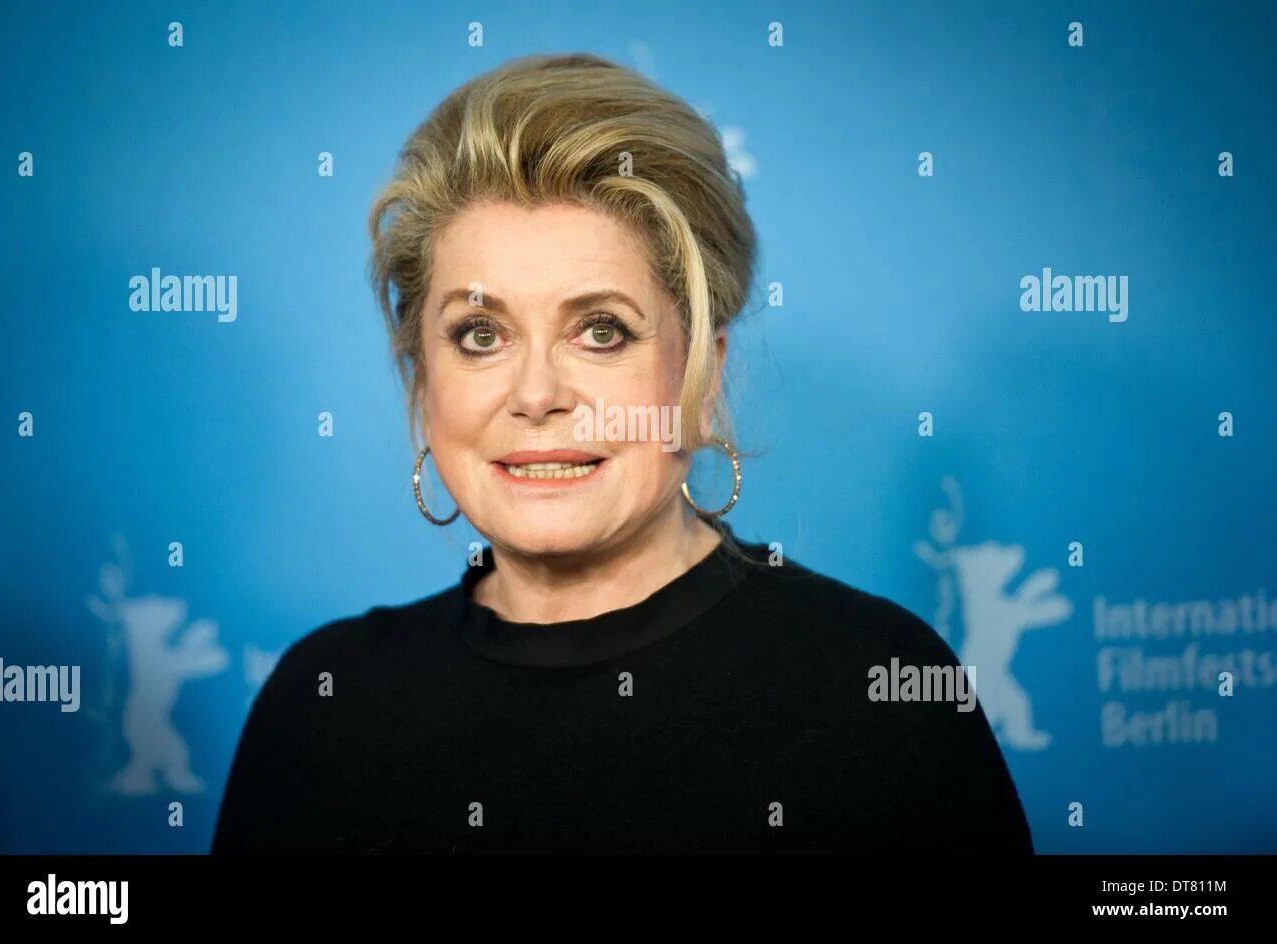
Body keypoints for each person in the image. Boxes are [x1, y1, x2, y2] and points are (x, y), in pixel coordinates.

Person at [211, 52, 1033, 854]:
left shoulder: (878, 689)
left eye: (601, 331)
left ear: (701, 379)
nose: (537, 395)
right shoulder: (325, 704)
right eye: (480, 334)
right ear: (424, 389)